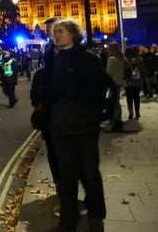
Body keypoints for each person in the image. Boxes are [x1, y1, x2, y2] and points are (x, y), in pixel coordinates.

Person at [45, 18, 111, 232]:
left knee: (90, 174)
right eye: (54, 32)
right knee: (67, 177)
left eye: (60, 31)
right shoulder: (52, 58)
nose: (56, 35)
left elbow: (104, 86)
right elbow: (49, 91)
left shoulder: (87, 58)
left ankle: (96, 217)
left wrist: (96, 112)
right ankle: (67, 222)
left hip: (84, 126)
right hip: (61, 127)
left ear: (73, 34)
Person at [30, 17, 61, 195]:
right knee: (52, 150)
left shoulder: (73, 54)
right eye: (47, 29)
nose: (48, 32)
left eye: (51, 29)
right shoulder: (49, 49)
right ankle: (59, 183)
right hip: (49, 113)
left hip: (67, 112)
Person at [104, 42, 126, 131]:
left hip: (113, 82)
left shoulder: (111, 59)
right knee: (115, 100)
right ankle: (115, 118)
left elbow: (108, 73)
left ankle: (116, 120)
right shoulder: (122, 58)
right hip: (119, 81)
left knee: (114, 102)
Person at [124, 46, 147, 121]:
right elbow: (143, 71)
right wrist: (143, 80)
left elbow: (124, 72)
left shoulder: (126, 61)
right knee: (136, 97)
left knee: (129, 98)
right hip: (137, 81)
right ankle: (137, 112)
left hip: (129, 82)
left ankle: (131, 113)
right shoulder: (140, 60)